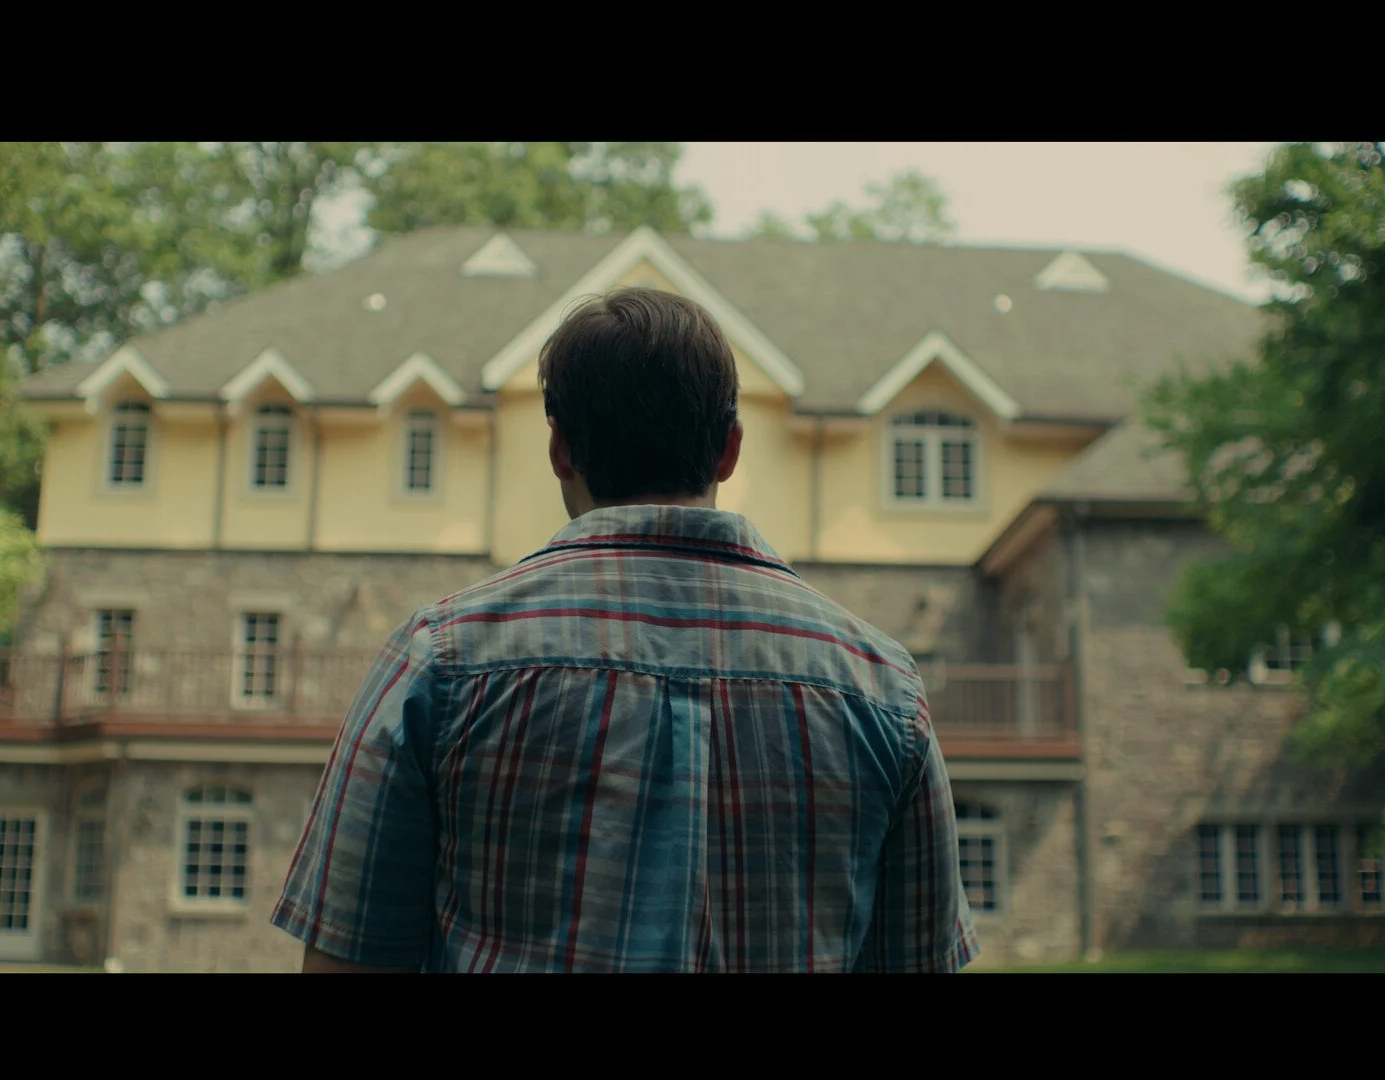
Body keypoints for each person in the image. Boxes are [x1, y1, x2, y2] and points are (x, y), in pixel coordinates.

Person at [272, 287, 978, 973]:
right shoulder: (881, 687)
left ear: (559, 450)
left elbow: (347, 957)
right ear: (729, 450)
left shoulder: (439, 661)